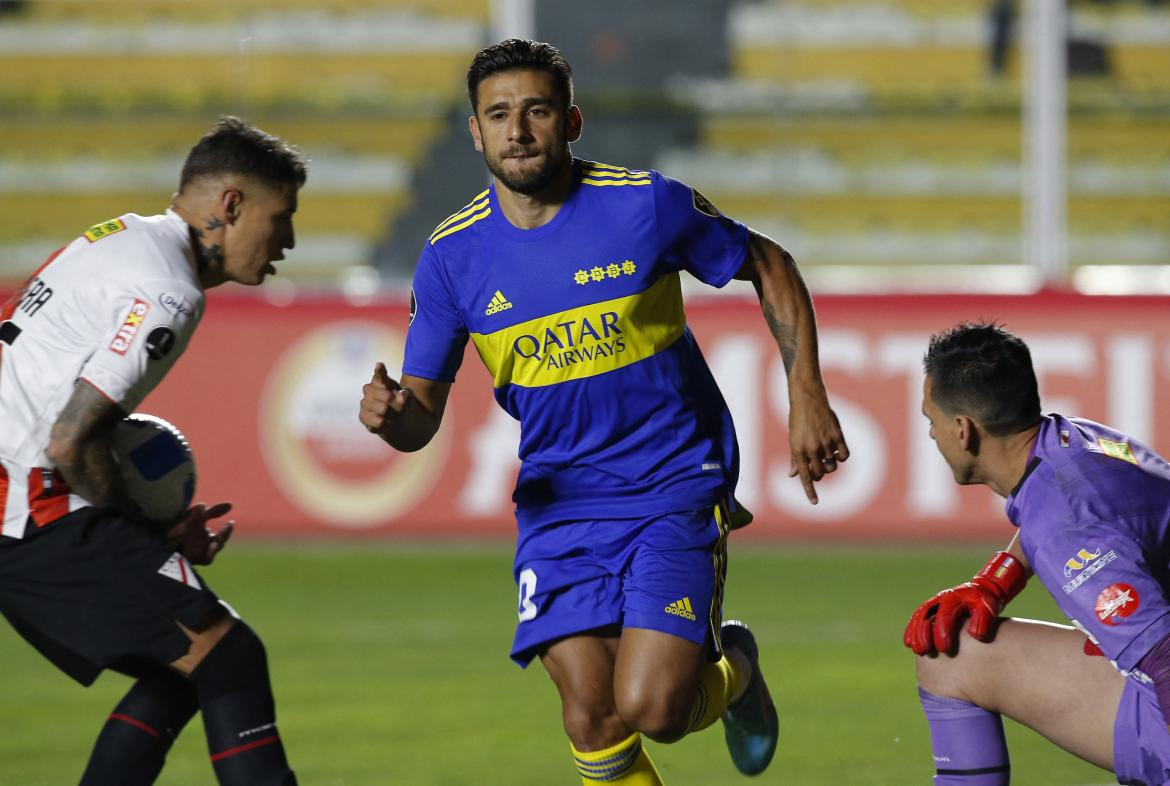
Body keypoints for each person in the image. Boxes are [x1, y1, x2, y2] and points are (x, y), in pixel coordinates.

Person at [359, 39, 848, 784]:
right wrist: (393, 416)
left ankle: (737, 669)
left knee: (653, 707)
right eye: (499, 114)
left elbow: (768, 263)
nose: (518, 129)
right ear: (474, 132)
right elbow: (421, 414)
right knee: (591, 713)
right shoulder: (452, 256)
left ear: (572, 121)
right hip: (559, 505)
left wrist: (806, 395)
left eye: (537, 110)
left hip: (672, 485)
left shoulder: (641, 204)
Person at [0, 116, 304, 785]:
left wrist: (150, 539)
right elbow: (71, 438)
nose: (287, 240)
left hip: (18, 501)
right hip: (28, 510)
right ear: (230, 206)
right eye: (280, 217)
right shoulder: (169, 291)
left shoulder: (118, 235)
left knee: (185, 664)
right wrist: (152, 537)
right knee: (230, 658)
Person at [904, 321, 1170, 786]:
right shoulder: (1071, 441)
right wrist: (994, 582)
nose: (931, 434)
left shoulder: (1065, 525)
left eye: (932, 421)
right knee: (954, 653)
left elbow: (1164, 656)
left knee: (945, 654)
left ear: (963, 430)